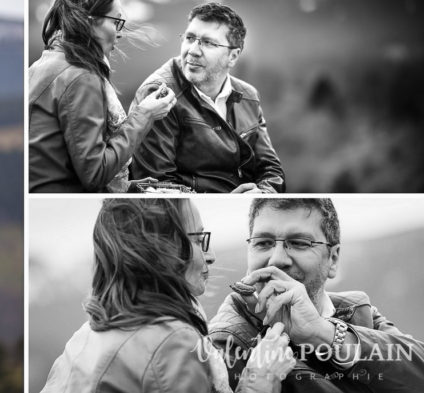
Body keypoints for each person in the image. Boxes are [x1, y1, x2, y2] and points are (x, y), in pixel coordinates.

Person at [41, 199, 293, 392]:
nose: (211, 255)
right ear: (160, 250)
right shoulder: (173, 343)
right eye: (198, 240)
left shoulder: (84, 338)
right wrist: (259, 380)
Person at [209, 199, 424, 391]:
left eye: (300, 243)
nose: (277, 259)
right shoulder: (226, 341)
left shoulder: (358, 311)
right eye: (263, 243)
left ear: (334, 259)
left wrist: (324, 334)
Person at [129, 2, 284, 193]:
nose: (193, 50)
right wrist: (224, 203)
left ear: (233, 56)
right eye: (189, 38)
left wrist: (262, 193)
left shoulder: (249, 96)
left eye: (208, 42)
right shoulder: (160, 93)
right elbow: (156, 185)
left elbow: (272, 170)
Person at [29, 0, 177, 193]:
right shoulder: (81, 77)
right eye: (116, 23)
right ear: (90, 22)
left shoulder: (43, 65)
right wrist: (144, 115)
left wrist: (127, 187)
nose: (120, 33)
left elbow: (64, 164)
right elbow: (94, 174)